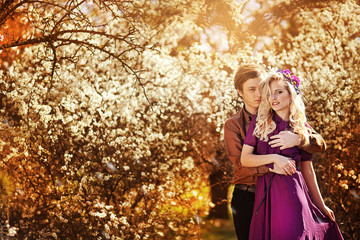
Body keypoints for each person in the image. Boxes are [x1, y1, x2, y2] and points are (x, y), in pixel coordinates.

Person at [224, 64, 326, 240]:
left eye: (261, 88)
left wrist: (300, 140)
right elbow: (242, 164)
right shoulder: (234, 125)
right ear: (240, 92)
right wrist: (274, 164)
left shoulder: (289, 118)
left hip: (281, 194)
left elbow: (319, 145)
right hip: (248, 196)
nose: (259, 94)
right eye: (251, 89)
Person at [241, 70, 343, 239]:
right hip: (267, 196)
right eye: (269, 94)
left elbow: (308, 170)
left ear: (290, 94)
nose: (273, 98)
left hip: (294, 192)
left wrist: (321, 205)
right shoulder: (259, 123)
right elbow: (245, 159)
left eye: (278, 92)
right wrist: (274, 159)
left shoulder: (301, 127)